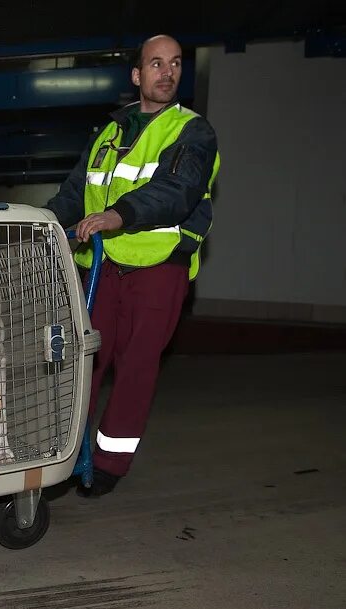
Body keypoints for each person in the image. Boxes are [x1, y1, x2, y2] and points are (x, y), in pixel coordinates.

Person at [45, 34, 220, 497]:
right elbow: (73, 192)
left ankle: (108, 463)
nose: (168, 73)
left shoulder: (192, 131)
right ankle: (66, 453)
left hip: (158, 265)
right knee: (86, 361)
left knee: (137, 363)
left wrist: (119, 215)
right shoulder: (108, 132)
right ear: (138, 76)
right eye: (157, 64)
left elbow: (177, 190)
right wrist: (38, 224)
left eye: (176, 64)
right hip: (101, 267)